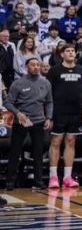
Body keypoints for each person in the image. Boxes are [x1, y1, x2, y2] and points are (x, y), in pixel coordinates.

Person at [4, 57, 52, 190]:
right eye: (33, 65)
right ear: (26, 67)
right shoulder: (18, 83)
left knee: (38, 152)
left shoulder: (45, 83)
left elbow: (49, 102)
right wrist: (17, 113)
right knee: (15, 151)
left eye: (38, 65)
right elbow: (7, 102)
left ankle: (38, 181)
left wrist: (49, 117)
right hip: (21, 121)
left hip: (38, 121)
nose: (36, 67)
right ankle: (10, 181)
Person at [46, 43, 82, 189]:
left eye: (73, 51)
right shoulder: (54, 70)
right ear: (62, 54)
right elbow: (48, 94)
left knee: (71, 141)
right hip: (58, 112)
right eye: (68, 51)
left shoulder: (81, 70)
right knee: (56, 141)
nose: (71, 53)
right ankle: (53, 177)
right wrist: (48, 115)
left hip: (75, 112)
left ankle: (67, 177)